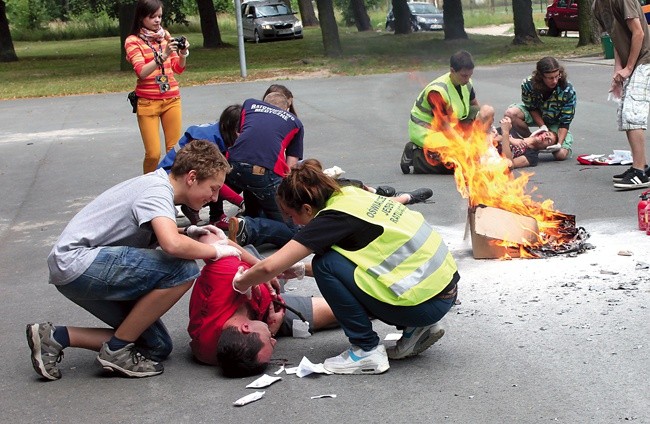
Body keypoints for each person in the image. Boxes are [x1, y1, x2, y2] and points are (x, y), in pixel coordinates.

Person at [26, 140, 247, 380]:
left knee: (156, 346)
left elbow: (167, 236)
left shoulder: (158, 190)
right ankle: (116, 350)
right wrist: (214, 252)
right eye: (213, 188)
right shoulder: (157, 191)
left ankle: (54, 337)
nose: (215, 198)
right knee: (182, 269)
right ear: (192, 177)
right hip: (78, 261)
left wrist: (190, 232)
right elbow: (171, 245)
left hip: (78, 270)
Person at [231, 161, 459, 375]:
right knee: (330, 262)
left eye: (292, 216)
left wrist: (240, 283)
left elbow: (269, 267)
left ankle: (366, 350)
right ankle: (416, 328)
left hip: (423, 304)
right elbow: (365, 260)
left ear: (307, 209)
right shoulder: (351, 195)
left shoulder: (331, 218)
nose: (294, 224)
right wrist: (301, 270)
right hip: (443, 291)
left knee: (324, 265)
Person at [188, 232, 338, 377]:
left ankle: (252, 245)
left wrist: (260, 267)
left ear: (245, 328)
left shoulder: (223, 274)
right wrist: (271, 330)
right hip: (269, 310)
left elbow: (208, 236)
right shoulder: (229, 356)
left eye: (270, 341)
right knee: (342, 312)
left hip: (256, 273)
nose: (274, 340)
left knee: (275, 266)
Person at [226, 91, 304, 248]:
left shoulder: (249, 105)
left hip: (232, 165)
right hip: (262, 172)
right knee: (293, 233)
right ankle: (249, 226)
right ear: (287, 107)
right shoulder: (295, 123)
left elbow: (246, 136)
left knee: (252, 185)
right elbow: (291, 167)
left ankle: (247, 220)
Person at [400, 50, 495, 174]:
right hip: (429, 131)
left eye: (470, 75)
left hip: (453, 124)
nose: (467, 79)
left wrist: (487, 131)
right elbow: (444, 126)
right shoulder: (437, 91)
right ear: (452, 70)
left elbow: (475, 107)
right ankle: (415, 154)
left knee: (486, 111)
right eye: (464, 75)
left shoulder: (466, 83)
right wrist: (465, 146)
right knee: (460, 164)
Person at [125, 0, 190, 174]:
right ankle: (147, 186)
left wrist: (183, 54)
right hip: (148, 102)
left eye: (160, 16)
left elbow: (178, 68)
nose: (157, 20)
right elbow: (142, 72)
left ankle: (171, 188)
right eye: (152, 16)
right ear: (141, 17)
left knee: (174, 151)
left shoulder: (165, 36)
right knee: (153, 154)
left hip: (171, 99)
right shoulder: (133, 41)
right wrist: (164, 54)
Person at [158, 104, 244, 230]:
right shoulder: (209, 142)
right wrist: (239, 201)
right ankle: (215, 216)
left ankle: (194, 208)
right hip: (170, 181)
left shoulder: (219, 132)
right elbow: (211, 180)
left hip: (181, 177)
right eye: (241, 131)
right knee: (218, 178)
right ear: (230, 128)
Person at [594, 0, 650, 189]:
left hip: (646, 60)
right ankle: (639, 166)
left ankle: (640, 173)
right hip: (633, 63)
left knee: (632, 114)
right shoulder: (597, 6)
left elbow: (638, 32)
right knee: (625, 115)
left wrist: (629, 67)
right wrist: (618, 72)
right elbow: (617, 39)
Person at [504, 57, 576, 162]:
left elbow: (565, 122)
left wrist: (559, 143)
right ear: (541, 76)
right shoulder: (528, 84)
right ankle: (531, 144)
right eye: (550, 78)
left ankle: (551, 144)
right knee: (510, 113)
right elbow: (531, 107)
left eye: (557, 76)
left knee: (560, 155)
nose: (555, 81)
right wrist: (542, 126)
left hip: (557, 123)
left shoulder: (567, 90)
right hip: (536, 114)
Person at [493, 116, 559, 169]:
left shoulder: (532, 157)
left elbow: (511, 164)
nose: (545, 137)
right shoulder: (512, 131)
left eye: (548, 141)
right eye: (547, 134)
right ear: (542, 132)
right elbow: (488, 136)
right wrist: (511, 139)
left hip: (492, 160)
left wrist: (506, 136)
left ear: (547, 148)